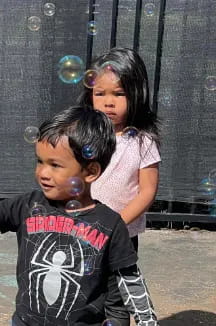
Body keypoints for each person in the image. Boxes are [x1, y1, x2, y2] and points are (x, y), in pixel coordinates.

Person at [0, 106, 158, 326]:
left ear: (90, 171)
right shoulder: (28, 206)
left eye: (55, 165)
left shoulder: (110, 223)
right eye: (40, 161)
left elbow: (129, 281)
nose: (43, 173)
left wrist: (147, 321)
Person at [78, 47, 161, 326]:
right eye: (100, 94)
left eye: (119, 94)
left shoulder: (143, 141)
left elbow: (148, 190)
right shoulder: (82, 135)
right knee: (82, 293)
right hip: (82, 231)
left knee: (116, 298)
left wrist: (114, 226)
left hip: (121, 235)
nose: (108, 102)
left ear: (136, 94)